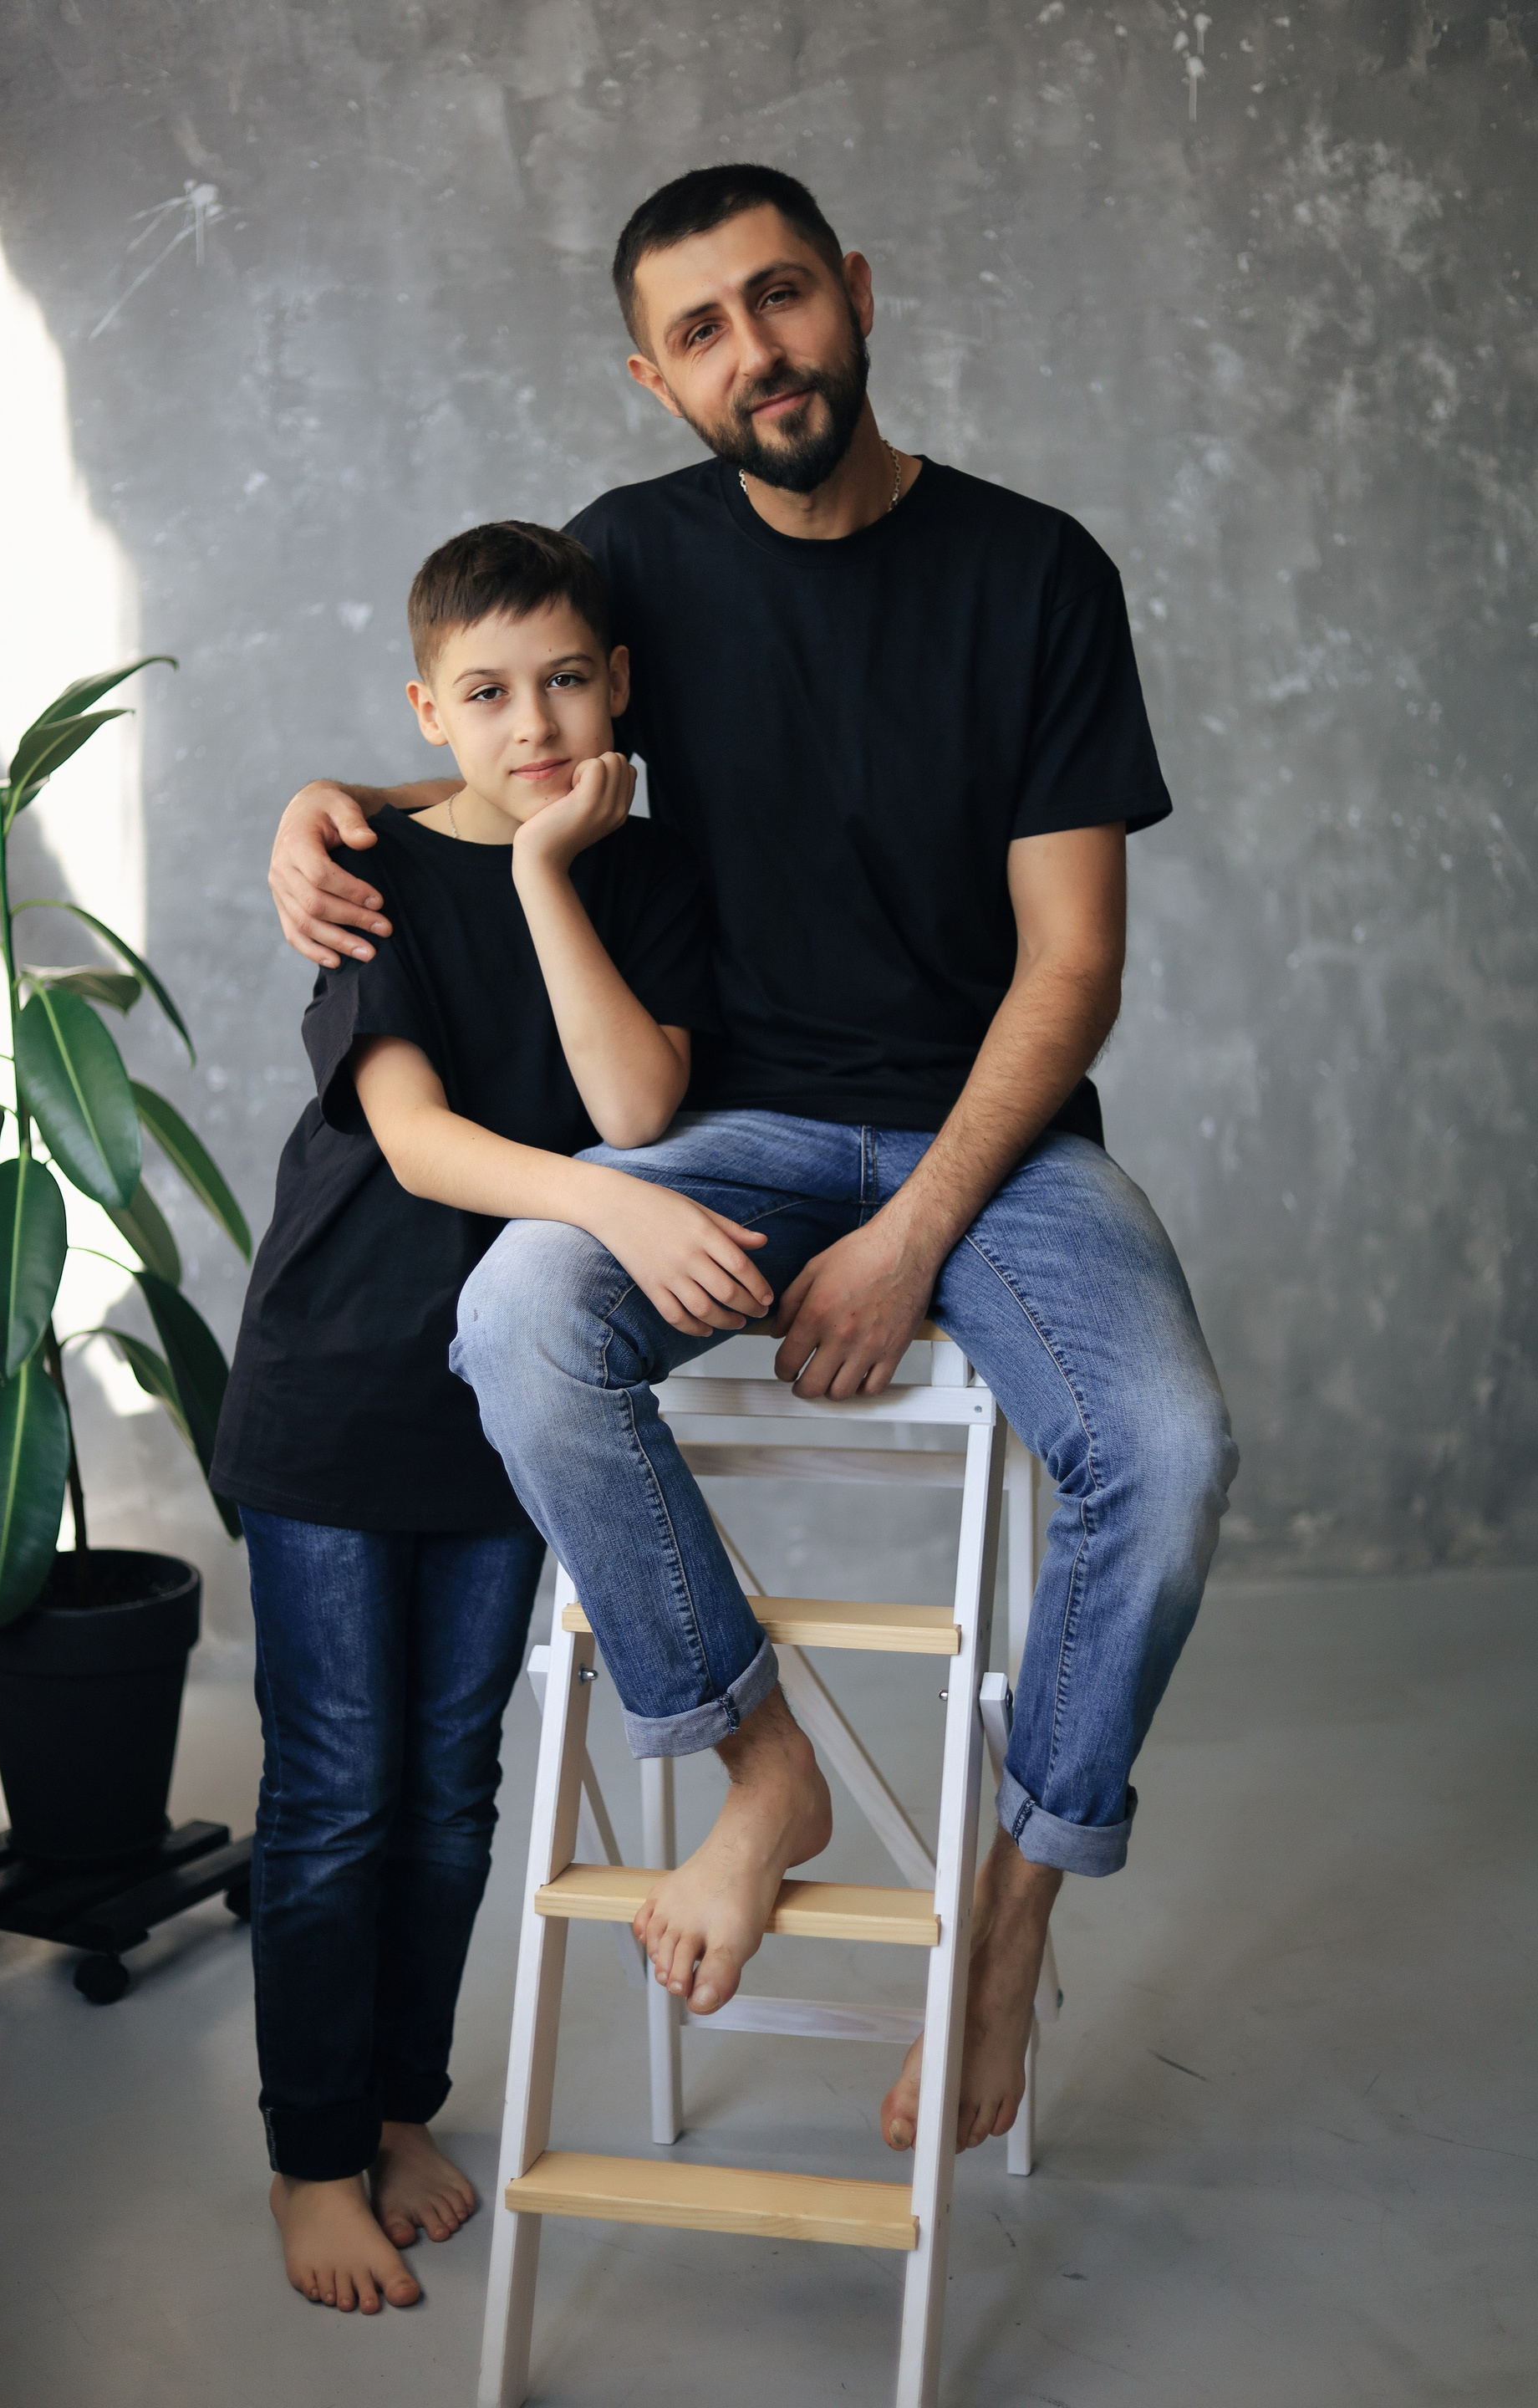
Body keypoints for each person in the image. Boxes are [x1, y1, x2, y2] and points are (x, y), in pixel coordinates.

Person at [267, 163, 1239, 2164]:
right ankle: (758, 1764)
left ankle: (1009, 1918)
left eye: (782, 296)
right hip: (735, 1126)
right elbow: (520, 737)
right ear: (657, 376)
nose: (757, 351)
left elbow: (1072, 964)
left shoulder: (1036, 573)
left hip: (995, 1138)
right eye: (700, 330)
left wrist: (914, 1233)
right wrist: (331, 796)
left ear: (854, 292)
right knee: (520, 1315)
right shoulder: (636, 557)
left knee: (1169, 1448)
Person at [211, 518, 731, 2314]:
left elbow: (636, 1101)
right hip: (334, 1388)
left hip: (496, 1400)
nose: (536, 723)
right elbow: (420, 1140)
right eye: (490, 694)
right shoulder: (374, 870)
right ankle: (309, 2159)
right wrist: (612, 1215)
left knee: (448, 1787)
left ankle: (393, 2108)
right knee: (338, 1791)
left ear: (618, 685)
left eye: (567, 681)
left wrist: (552, 875)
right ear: (428, 711)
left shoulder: (644, 878)